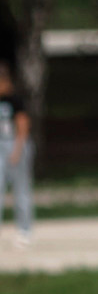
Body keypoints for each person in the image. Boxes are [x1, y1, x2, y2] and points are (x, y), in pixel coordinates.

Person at [0, 62, 34, 244]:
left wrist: (17, 150)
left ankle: (24, 230)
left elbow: (23, 126)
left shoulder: (15, 100)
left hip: (15, 145)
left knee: (21, 190)